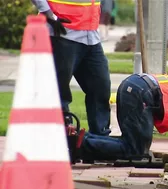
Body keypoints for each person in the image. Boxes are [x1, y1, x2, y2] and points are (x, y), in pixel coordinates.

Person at [31, 0, 111, 136]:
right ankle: (62, 134)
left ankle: (99, 139)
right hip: (62, 32)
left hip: (91, 34)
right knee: (59, 89)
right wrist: (49, 15)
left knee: (100, 86)